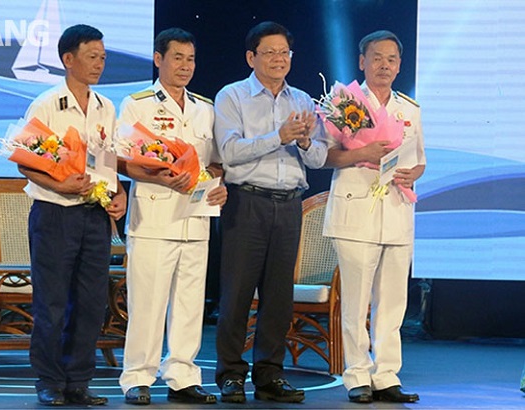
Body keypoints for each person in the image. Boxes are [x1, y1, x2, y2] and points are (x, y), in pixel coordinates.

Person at [213, 21, 327, 404]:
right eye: (270, 52)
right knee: (237, 294)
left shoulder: (303, 100)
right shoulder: (232, 96)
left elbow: (318, 158)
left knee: (279, 297)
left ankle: (269, 376)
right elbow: (228, 153)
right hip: (247, 201)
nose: (279, 60)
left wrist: (307, 139)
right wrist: (277, 137)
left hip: (289, 203)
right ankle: (230, 374)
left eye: (285, 53)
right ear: (251, 57)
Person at [117, 28, 227, 406]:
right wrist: (161, 175)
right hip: (153, 216)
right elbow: (124, 160)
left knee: (189, 302)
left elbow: (214, 161)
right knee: (148, 302)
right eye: (177, 57)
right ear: (158, 59)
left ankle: (182, 374)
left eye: (190, 59)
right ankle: (137, 377)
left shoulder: (204, 107)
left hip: (196, 217)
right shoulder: (138, 104)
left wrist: (219, 183)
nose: (185, 66)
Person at [18, 24, 127, 406]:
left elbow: (109, 159)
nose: (99, 64)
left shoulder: (106, 106)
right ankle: (49, 380)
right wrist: (59, 186)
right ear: (68, 59)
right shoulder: (47, 103)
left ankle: (79, 380)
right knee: (51, 301)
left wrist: (120, 195)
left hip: (95, 216)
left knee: (91, 300)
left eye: (102, 57)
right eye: (91, 56)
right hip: (54, 214)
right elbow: (24, 161)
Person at [322, 30, 425, 404]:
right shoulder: (344, 103)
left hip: (396, 211)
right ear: (362, 61)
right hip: (356, 209)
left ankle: (386, 375)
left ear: (399, 65)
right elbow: (326, 156)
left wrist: (415, 172)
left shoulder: (409, 109)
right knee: (356, 300)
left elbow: (420, 159)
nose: (385, 65)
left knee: (393, 302)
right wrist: (361, 152)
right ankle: (357, 375)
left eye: (392, 59)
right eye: (377, 57)